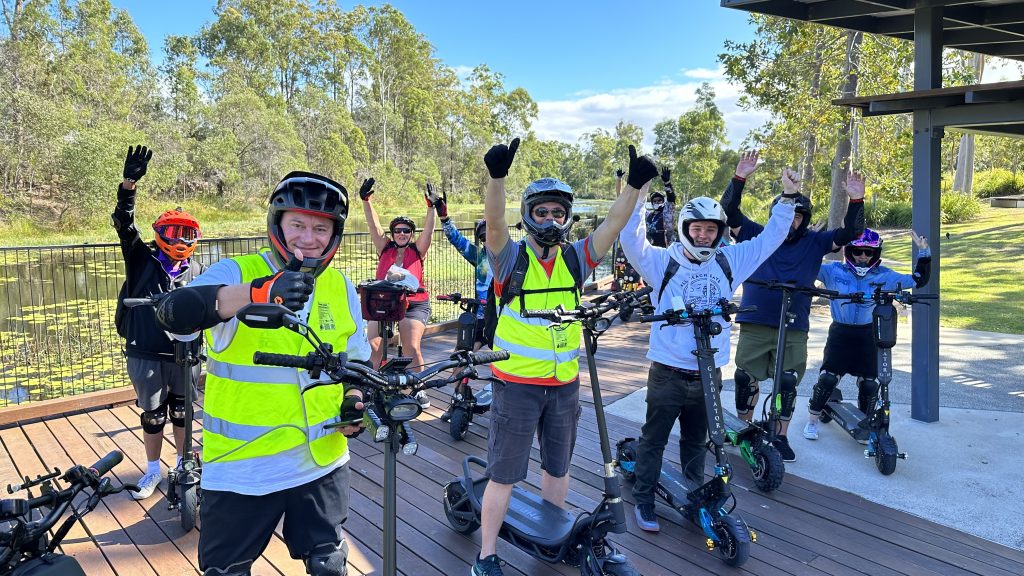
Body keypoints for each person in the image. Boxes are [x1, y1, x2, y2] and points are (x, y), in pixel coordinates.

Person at [154, 171, 369, 576]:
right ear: (277, 224)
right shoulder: (236, 272)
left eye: (321, 228)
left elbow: (356, 359)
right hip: (242, 469)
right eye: (298, 225)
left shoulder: (340, 286)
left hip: (321, 463)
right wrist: (258, 293)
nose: (309, 238)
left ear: (335, 235)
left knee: (329, 564)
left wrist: (354, 399)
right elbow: (172, 314)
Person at [470, 138, 657, 576]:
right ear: (529, 216)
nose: (551, 220)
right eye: (542, 212)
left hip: (564, 385)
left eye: (558, 212)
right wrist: (497, 179)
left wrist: (633, 186)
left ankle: (548, 543)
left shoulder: (575, 260)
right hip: (516, 383)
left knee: (558, 467)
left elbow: (612, 224)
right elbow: (494, 223)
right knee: (504, 473)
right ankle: (486, 556)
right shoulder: (510, 261)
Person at [621, 167, 798, 532]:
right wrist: (638, 195)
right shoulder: (663, 261)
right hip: (668, 371)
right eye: (697, 229)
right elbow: (631, 239)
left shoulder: (728, 260)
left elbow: (770, 240)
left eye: (711, 230)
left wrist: (787, 200)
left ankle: (694, 493)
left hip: (709, 371)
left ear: (719, 232)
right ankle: (643, 500)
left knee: (697, 441)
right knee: (653, 439)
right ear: (686, 229)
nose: (703, 236)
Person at [723, 157, 866, 463]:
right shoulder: (756, 234)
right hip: (755, 320)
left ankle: (781, 435)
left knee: (787, 381)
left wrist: (856, 199)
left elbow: (851, 233)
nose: (792, 222)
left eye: (799, 217)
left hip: (794, 324)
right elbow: (729, 212)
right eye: (788, 215)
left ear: (805, 219)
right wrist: (739, 177)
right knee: (745, 378)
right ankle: (744, 429)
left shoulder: (815, 242)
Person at [111, 145, 203, 500]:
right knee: (153, 414)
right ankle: (152, 470)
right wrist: (128, 185)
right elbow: (124, 225)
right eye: (174, 232)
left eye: (186, 233)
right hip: (146, 350)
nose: (180, 240)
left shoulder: (198, 271)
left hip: (185, 353)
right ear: (161, 233)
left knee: (182, 412)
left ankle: (182, 464)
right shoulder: (141, 258)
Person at [803, 228, 932, 441]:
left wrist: (924, 252)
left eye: (868, 252)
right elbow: (805, 264)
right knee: (827, 379)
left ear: (876, 254)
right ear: (849, 251)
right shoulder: (833, 271)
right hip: (840, 334)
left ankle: (865, 424)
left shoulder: (885, 276)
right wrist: (810, 241)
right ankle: (812, 421)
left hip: (868, 335)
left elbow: (918, 279)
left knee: (870, 384)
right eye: (858, 251)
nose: (863, 256)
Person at [360, 178, 437, 409]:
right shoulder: (385, 248)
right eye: (397, 230)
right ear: (392, 233)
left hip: (414, 304)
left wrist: (431, 207)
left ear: (412, 234)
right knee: (373, 344)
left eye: (406, 231)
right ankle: (372, 386)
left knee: (411, 344)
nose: (401, 233)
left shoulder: (417, 250)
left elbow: (430, 231)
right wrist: (366, 201)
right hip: (384, 303)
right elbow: (374, 226)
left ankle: (418, 388)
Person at [440, 212, 492, 351]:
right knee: (461, 353)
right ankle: (458, 372)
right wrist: (444, 217)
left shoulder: (514, 255)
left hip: (506, 316)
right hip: (481, 315)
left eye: (492, 234)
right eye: (483, 237)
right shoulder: (480, 257)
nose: (488, 240)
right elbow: (457, 240)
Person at [644, 168, 677, 247]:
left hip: (666, 248)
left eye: (659, 200)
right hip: (650, 249)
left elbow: (671, 198)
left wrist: (667, 183)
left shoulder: (667, 212)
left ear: (663, 201)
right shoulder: (648, 215)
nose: (656, 202)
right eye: (654, 201)